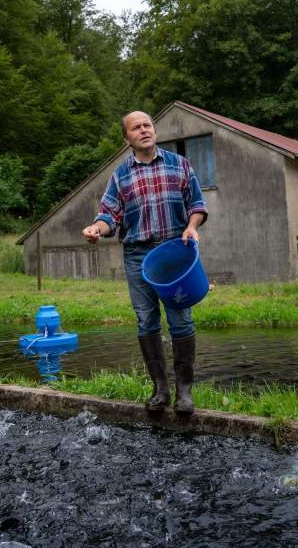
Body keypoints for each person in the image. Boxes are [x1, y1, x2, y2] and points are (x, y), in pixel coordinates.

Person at [82, 111, 208, 414]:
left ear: (154, 130)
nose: (143, 130)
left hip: (173, 253)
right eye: (136, 128)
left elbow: (198, 205)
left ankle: (185, 392)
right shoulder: (120, 175)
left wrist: (191, 226)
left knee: (181, 319)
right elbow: (108, 215)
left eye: (147, 125)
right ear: (127, 139)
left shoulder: (180, 164)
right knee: (146, 320)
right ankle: (160, 390)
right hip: (137, 255)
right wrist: (95, 229)